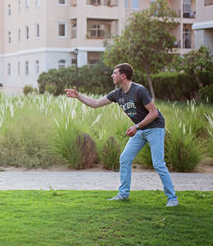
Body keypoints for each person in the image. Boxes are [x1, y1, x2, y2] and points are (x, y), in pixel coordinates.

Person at [65, 63, 179, 207]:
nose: (112, 76)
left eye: (114, 73)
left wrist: (136, 126)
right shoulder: (117, 94)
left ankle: (172, 199)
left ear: (123, 76)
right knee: (125, 158)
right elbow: (95, 103)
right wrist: (78, 96)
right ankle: (123, 194)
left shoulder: (139, 90)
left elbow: (154, 113)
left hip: (155, 128)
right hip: (139, 129)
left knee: (158, 164)